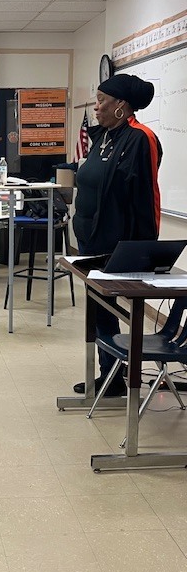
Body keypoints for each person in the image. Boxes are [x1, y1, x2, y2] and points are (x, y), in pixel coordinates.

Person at [72, 73, 162, 396]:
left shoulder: (140, 138)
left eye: (101, 101)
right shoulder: (105, 136)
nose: (95, 108)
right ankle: (110, 374)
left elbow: (148, 197)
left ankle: (116, 376)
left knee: (109, 310)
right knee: (100, 312)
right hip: (90, 241)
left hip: (115, 245)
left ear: (121, 105)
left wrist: (145, 252)